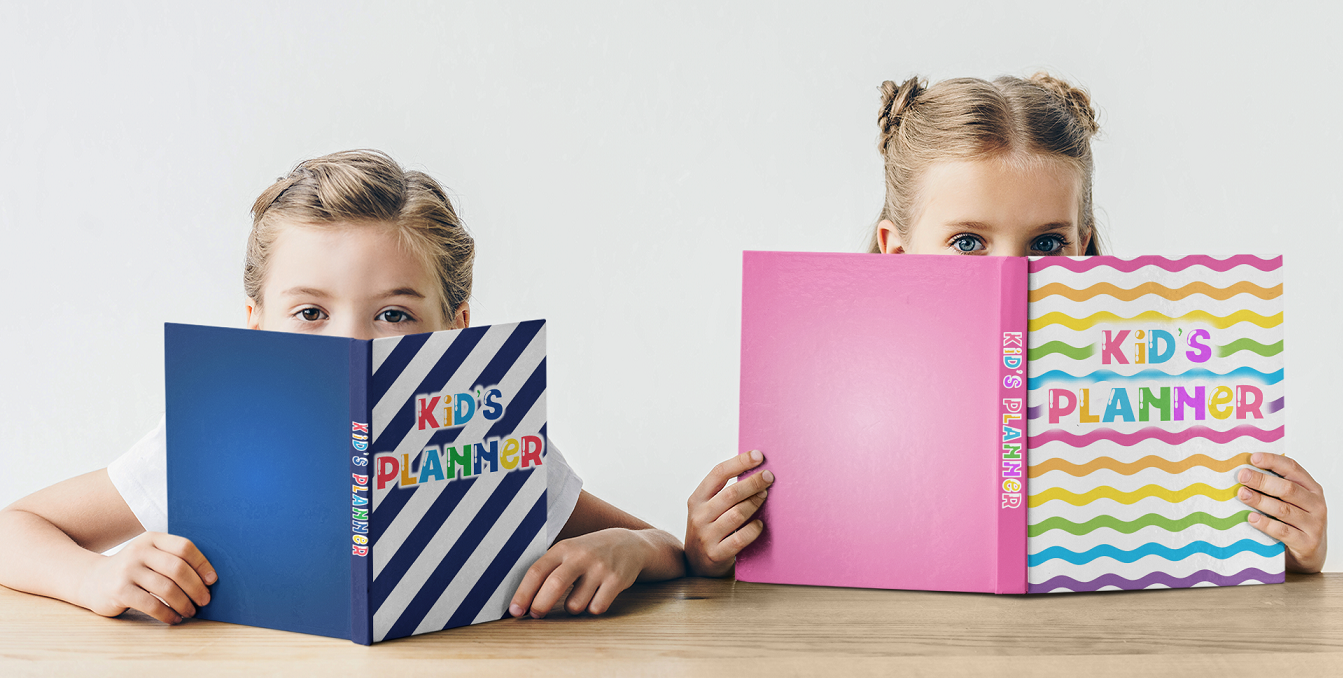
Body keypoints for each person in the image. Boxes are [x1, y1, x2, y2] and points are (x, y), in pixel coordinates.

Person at [0, 149, 686, 625]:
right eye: (309, 313)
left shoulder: (488, 434)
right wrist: (94, 579)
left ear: (456, 330)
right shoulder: (209, 441)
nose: (350, 345)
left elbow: (665, 546)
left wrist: (626, 550)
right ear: (256, 326)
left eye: (393, 314)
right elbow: (13, 530)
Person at [684, 73, 1328, 578]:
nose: (1010, 274)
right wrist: (711, 553)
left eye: (1047, 244)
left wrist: (1290, 550)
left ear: (1085, 244)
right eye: (968, 243)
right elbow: (760, 576)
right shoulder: (828, 388)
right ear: (896, 249)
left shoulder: (1148, 384)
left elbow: (1215, 555)